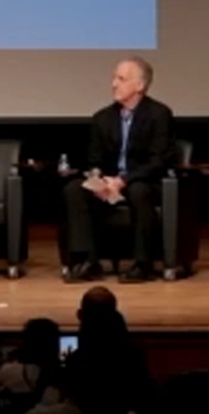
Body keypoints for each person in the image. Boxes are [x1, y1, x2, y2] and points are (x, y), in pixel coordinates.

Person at [64, 57, 175, 283]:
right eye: (114, 78)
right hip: (110, 182)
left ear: (140, 86)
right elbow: (94, 159)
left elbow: (158, 161)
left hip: (144, 181)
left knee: (138, 191)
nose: (114, 84)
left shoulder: (159, 115)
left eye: (121, 79)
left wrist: (123, 180)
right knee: (74, 189)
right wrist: (99, 180)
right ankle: (87, 260)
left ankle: (142, 264)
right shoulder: (102, 118)